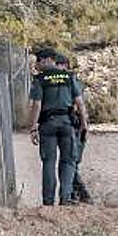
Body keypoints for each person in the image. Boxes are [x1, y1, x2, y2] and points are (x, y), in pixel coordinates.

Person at [27, 47, 86, 205]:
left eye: (38, 61)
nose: (37, 65)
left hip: (47, 125)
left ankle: (48, 202)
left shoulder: (40, 80)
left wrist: (33, 127)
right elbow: (80, 103)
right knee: (68, 161)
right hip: (67, 124)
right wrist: (84, 124)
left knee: (48, 162)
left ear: (47, 60)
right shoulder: (69, 76)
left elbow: (37, 105)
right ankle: (66, 198)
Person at [55, 52, 91, 203]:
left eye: (57, 65)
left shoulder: (72, 81)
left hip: (75, 127)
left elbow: (79, 106)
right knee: (69, 163)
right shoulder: (64, 82)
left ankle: (79, 195)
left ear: (64, 66)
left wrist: (83, 125)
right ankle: (74, 195)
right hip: (71, 126)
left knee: (70, 163)